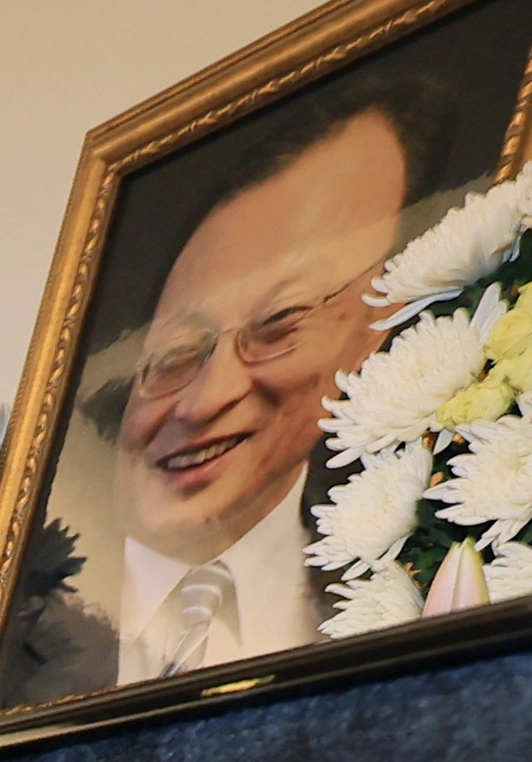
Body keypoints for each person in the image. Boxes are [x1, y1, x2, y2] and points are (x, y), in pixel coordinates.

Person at [104, 86, 434, 683]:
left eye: (281, 321)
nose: (205, 401)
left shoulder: (410, 582)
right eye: (177, 352)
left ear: (375, 327)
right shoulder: (30, 619)